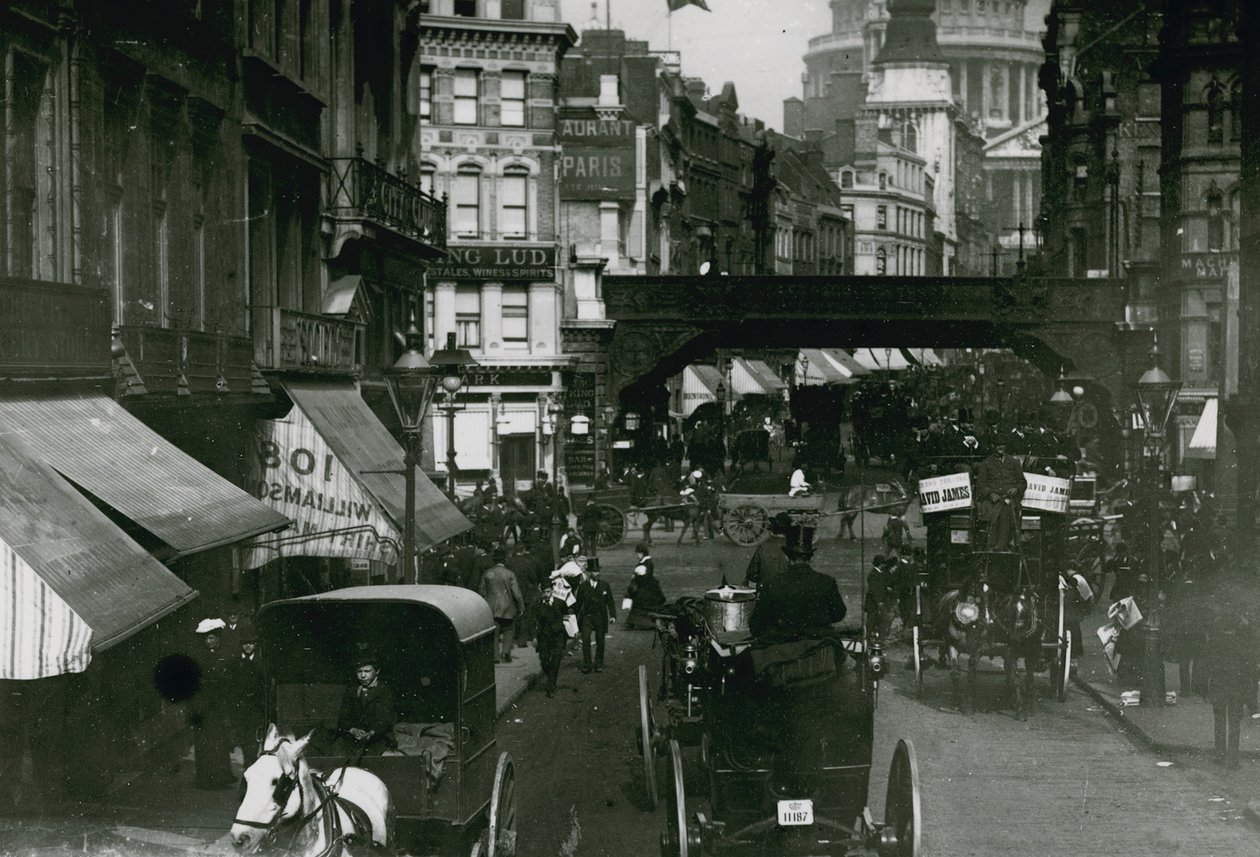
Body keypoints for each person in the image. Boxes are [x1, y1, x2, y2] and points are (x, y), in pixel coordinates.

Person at [748, 522, 846, 642]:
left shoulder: (772, 584)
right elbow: (838, 615)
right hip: (819, 649)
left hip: (783, 651)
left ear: (787, 557)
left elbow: (756, 626)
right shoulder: (827, 582)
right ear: (811, 558)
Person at [190, 618, 235, 789]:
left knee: (218, 742)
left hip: (217, 707)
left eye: (212, 638)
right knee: (203, 744)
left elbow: (227, 683)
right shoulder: (200, 658)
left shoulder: (224, 657)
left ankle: (220, 777)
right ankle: (205, 778)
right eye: (206, 638)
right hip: (203, 708)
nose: (209, 641)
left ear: (218, 639)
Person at [334, 650, 397, 755]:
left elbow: (385, 719)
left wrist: (372, 732)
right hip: (354, 738)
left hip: (378, 738)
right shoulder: (352, 689)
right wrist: (352, 730)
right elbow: (343, 717)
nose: (363, 676)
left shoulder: (384, 690)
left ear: (377, 671)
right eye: (359, 671)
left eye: (367, 671)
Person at [975, 439, 1026, 550]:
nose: (1000, 447)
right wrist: (990, 494)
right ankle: (995, 546)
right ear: (993, 445)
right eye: (998, 445)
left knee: (1006, 509)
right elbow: (980, 485)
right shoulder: (986, 463)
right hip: (993, 499)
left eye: (1002, 444)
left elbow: (1023, 482)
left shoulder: (1014, 462)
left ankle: (1002, 545)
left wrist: (1016, 489)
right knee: (995, 511)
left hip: (1010, 498)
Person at [480, 547, 526, 663]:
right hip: (508, 608)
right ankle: (506, 653)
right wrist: (521, 606)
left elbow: (482, 590)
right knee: (509, 630)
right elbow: (517, 593)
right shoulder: (510, 574)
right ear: (505, 560)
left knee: (494, 634)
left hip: (491, 608)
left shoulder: (487, 573)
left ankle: (495, 657)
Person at [230, 623, 265, 771]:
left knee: (253, 742)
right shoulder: (235, 662)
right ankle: (248, 766)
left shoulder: (261, 663)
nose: (248, 646)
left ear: (255, 644)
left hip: (256, 709)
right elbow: (230, 686)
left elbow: (265, 686)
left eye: (251, 643)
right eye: (245, 643)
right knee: (243, 740)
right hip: (240, 709)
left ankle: (250, 768)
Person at [575, 560, 617, 673]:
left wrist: (613, 615)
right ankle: (587, 664)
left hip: (600, 617)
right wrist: (575, 621)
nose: (597, 573)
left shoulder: (605, 585)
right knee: (586, 639)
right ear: (589, 573)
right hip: (587, 617)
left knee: (600, 641)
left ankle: (598, 663)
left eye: (598, 571)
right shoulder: (583, 586)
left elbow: (610, 601)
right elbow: (578, 604)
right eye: (594, 571)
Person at [537, 578, 576, 698]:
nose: (546, 595)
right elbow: (535, 621)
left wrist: (569, 629)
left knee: (555, 661)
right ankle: (551, 677)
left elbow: (566, 614)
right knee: (544, 660)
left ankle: (551, 687)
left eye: (548, 592)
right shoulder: (538, 605)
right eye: (544, 592)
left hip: (558, 636)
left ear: (552, 591)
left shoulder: (559, 603)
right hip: (544, 637)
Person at [744, 512, 791, 589]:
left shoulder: (763, 546)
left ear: (772, 531)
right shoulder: (793, 547)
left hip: (766, 590)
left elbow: (751, 574)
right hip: (786, 591)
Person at [624, 553, 668, 630]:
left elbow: (640, 580)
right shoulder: (648, 563)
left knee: (638, 603)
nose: (637, 555)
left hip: (645, 591)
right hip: (652, 590)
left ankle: (633, 622)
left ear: (641, 553)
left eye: (638, 553)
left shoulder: (644, 565)